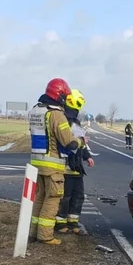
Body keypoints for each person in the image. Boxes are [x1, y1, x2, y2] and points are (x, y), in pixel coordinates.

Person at [28, 78, 81, 245]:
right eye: (64, 97)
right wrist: (81, 141)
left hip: (37, 163)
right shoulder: (56, 114)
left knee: (39, 198)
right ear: (59, 96)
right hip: (52, 165)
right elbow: (69, 142)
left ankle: (33, 232)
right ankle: (45, 236)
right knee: (52, 200)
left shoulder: (36, 110)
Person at [56, 89, 94, 235]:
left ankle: (73, 223)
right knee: (65, 197)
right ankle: (60, 224)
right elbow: (68, 143)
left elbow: (81, 144)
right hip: (66, 167)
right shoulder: (63, 121)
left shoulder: (76, 123)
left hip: (76, 167)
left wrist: (87, 156)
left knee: (78, 196)